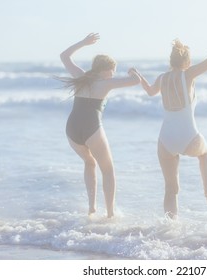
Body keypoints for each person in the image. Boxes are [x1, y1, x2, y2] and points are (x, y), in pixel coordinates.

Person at [133, 20, 207, 218]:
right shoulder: (189, 75)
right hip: (188, 136)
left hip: (165, 139)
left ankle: (169, 227)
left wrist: (138, 75)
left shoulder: (161, 78)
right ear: (187, 62)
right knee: (205, 154)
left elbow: (149, 91)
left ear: (171, 61)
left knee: (171, 190)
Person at [59, 33, 141, 218]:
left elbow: (64, 56)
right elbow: (136, 81)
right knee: (108, 170)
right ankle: (110, 213)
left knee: (89, 162)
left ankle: (92, 208)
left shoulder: (80, 76)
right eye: (112, 70)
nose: (113, 74)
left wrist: (83, 43)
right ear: (105, 70)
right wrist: (132, 72)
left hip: (72, 128)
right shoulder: (106, 83)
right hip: (91, 127)